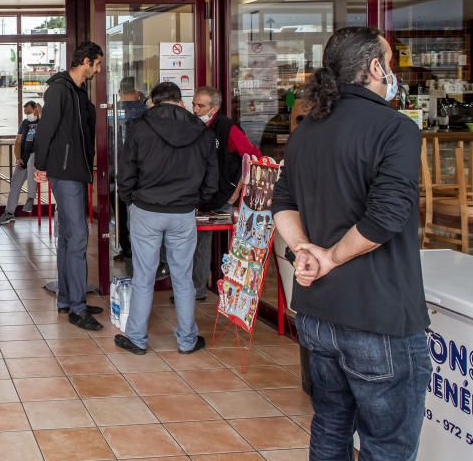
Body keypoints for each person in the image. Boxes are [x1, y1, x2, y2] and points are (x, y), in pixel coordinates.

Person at [274, 27, 430, 460]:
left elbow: (282, 201)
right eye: (391, 60)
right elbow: (386, 217)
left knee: (330, 427)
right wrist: (328, 256)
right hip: (377, 317)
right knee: (387, 446)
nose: (392, 69)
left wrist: (304, 248)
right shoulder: (394, 128)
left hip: (318, 314)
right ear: (376, 67)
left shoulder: (307, 129)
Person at [115, 81, 217, 355]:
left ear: (154, 102)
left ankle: (136, 338)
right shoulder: (201, 130)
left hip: (146, 210)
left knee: (144, 277)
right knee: (183, 278)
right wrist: (199, 201)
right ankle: (186, 340)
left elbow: (126, 171)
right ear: (179, 100)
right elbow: (211, 177)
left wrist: (130, 201)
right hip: (183, 212)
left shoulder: (139, 128)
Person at [33, 42, 104, 330]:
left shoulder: (77, 91)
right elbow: (46, 129)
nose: (99, 69)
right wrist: (40, 165)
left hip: (74, 171)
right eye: (97, 64)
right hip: (66, 173)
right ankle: (77, 307)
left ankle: (67, 299)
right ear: (85, 61)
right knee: (77, 239)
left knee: (67, 237)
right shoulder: (61, 90)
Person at [185, 85, 260, 301]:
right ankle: (197, 289)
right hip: (200, 195)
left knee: (231, 244)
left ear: (215, 107)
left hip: (224, 194)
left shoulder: (228, 128)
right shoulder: (194, 126)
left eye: (201, 105)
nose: (196, 109)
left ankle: (233, 292)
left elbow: (251, 157)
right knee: (198, 242)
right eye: (194, 105)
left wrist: (237, 191)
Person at [113, 78, 147, 264]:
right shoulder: (142, 110)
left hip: (117, 168)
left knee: (121, 212)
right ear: (136, 92)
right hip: (138, 170)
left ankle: (127, 249)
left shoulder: (114, 109)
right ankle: (135, 251)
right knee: (134, 214)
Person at [0, 101, 39, 224]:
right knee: (15, 183)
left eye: (29, 112)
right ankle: (9, 213)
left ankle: (30, 198)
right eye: (25, 113)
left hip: (37, 158)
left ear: (35, 109)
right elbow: (18, 141)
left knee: (31, 163)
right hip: (24, 158)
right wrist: (18, 157)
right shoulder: (25, 123)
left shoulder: (43, 122)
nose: (27, 115)